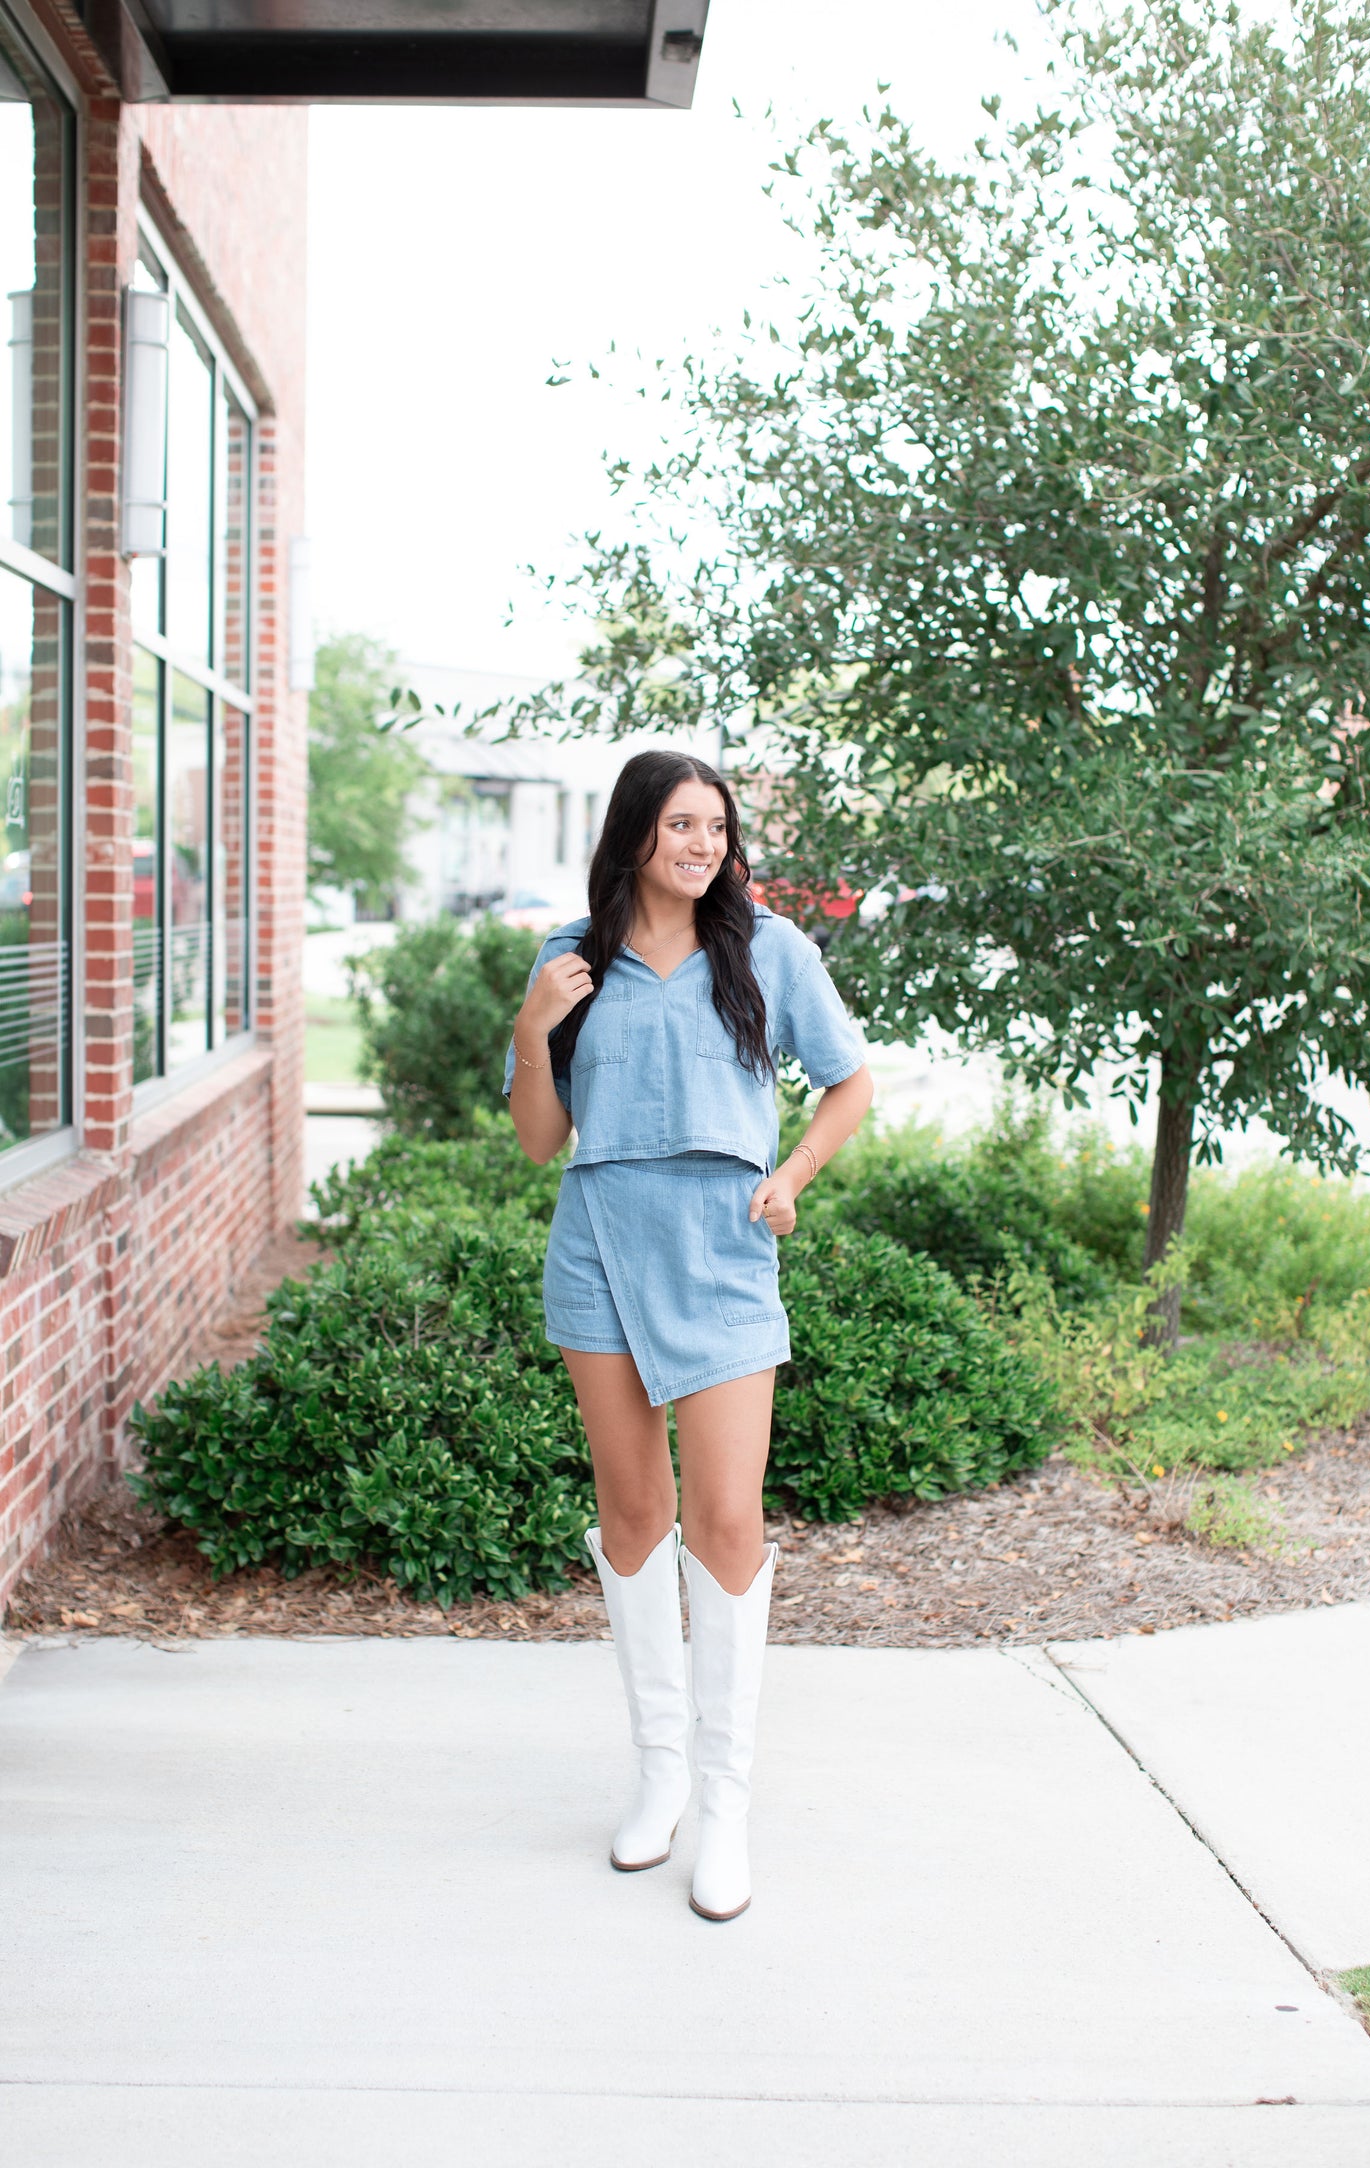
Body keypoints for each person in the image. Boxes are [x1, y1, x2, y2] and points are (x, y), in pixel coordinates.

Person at [504, 749, 872, 1921]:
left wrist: (793, 1174)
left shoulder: (768, 947)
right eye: (678, 823)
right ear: (633, 836)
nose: (700, 843)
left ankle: (723, 1800)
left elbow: (849, 1081)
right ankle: (658, 1771)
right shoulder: (572, 958)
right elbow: (534, 1139)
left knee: (722, 1519)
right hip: (600, 1243)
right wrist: (530, 1029)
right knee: (632, 1516)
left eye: (714, 825)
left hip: (720, 1252)